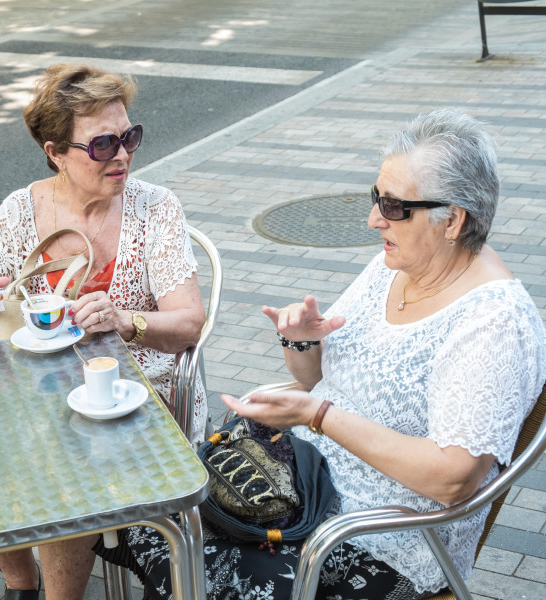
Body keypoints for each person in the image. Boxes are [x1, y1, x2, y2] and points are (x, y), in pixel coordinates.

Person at [98, 108, 546, 599]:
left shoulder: (495, 322)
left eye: (394, 206)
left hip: (377, 540)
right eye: (377, 197)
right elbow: (314, 379)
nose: (374, 218)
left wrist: (320, 416)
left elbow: (453, 479)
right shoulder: (393, 267)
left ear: (453, 221)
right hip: (298, 482)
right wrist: (302, 341)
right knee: (159, 515)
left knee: (191, 560)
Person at [0, 64, 207, 600]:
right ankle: (20, 584)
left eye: (129, 137)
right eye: (103, 144)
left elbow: (188, 323)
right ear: (55, 152)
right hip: (30, 389)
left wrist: (125, 321)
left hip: (131, 394)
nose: (124, 155)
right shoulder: (20, 211)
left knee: (65, 463)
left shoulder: (155, 209)